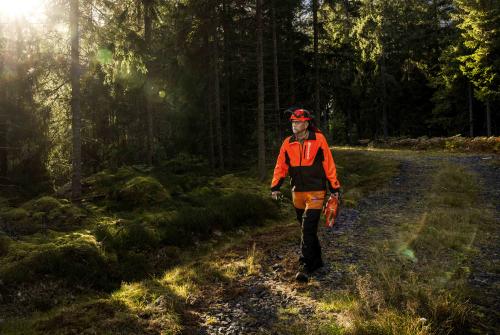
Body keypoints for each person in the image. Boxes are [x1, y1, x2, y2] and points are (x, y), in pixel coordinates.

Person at [271, 108, 341, 282]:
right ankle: (317, 262)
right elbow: (281, 166)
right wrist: (275, 186)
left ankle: (305, 266)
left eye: (299, 122)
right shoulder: (288, 143)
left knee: (307, 228)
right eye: (293, 122)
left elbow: (329, 164)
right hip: (297, 193)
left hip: (316, 191)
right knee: (307, 229)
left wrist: (334, 188)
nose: (295, 125)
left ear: (307, 123)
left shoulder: (318, 140)